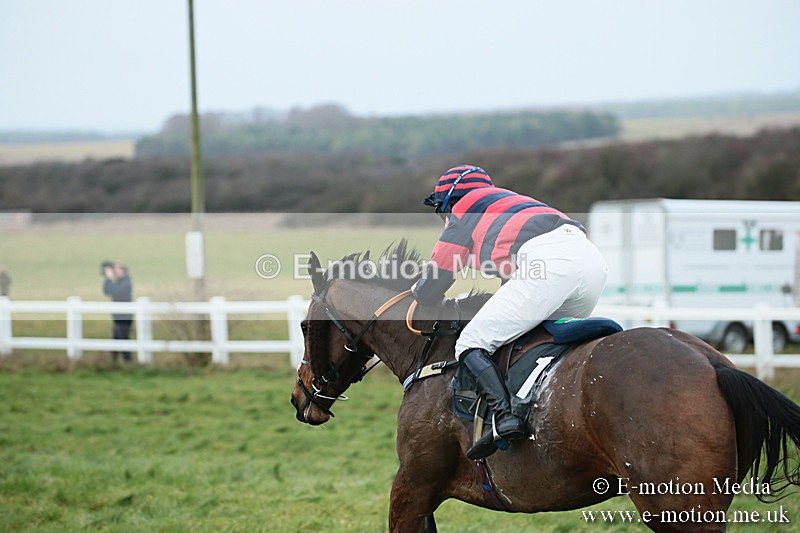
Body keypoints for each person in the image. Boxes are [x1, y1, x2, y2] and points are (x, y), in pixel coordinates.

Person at [412, 165, 608, 459]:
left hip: (550, 265)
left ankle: (505, 418)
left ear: (450, 202)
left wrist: (418, 291)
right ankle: (540, 405)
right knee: (536, 338)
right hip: (592, 263)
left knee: (471, 342)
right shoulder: (512, 203)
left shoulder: (465, 210)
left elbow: (438, 279)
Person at [103, 261, 133, 362]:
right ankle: (115, 362)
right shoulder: (120, 282)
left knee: (123, 339)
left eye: (117, 270)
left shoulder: (126, 283)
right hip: (118, 317)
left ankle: (128, 361)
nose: (115, 272)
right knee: (116, 339)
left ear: (123, 271)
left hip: (124, 317)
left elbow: (114, 291)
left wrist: (109, 278)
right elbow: (107, 291)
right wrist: (108, 279)